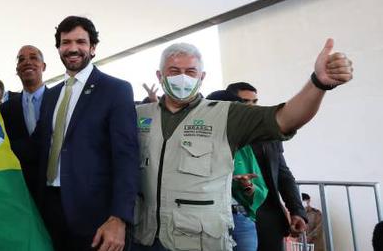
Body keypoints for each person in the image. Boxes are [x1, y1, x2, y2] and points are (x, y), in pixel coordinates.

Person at [133, 42, 353, 251]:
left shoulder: (225, 114)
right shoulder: (138, 116)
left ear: (202, 77)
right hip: (144, 238)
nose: (182, 78)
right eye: (174, 70)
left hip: (199, 241)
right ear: (160, 76)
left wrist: (318, 83)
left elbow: (287, 118)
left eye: (190, 72)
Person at [33, 16, 139, 251]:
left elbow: (127, 158)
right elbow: (36, 148)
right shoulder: (51, 95)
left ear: (92, 48)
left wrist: (119, 218)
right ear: (59, 48)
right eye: (65, 42)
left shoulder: (116, 90)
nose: (72, 48)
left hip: (96, 218)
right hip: (48, 210)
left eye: (80, 42)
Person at [227, 82, 308, 251]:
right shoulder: (222, 133)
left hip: (269, 218)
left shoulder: (269, 133)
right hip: (235, 217)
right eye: (245, 101)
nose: (252, 106)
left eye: (255, 101)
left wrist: (297, 211)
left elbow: (283, 174)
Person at [206, 90, 268, 251]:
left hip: (239, 219)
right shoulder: (193, 141)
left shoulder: (244, 146)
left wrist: (248, 187)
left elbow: (260, 189)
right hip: (204, 221)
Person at [0, 45, 47, 197]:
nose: (27, 62)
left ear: (43, 66)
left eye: (33, 58)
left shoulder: (60, 100)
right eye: (21, 60)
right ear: (17, 69)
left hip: (57, 190)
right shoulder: (6, 109)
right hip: (22, 190)